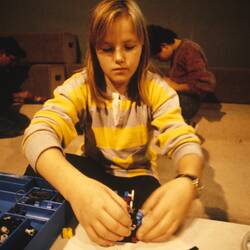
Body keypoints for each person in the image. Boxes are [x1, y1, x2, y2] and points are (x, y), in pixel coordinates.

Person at [23, 0, 204, 247]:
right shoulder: (81, 85)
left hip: (137, 176)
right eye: (107, 49)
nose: (119, 58)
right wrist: (76, 189)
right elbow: (38, 132)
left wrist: (188, 180)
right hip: (92, 170)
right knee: (37, 168)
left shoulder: (157, 90)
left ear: (143, 45)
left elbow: (182, 138)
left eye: (129, 46)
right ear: (94, 50)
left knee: (154, 217)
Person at [147, 24, 216, 123]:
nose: (159, 60)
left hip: (189, 101)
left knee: (160, 104)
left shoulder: (190, 49)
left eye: (157, 57)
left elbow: (206, 85)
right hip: (181, 96)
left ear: (164, 46)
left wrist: (176, 86)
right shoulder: (178, 51)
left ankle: (181, 125)